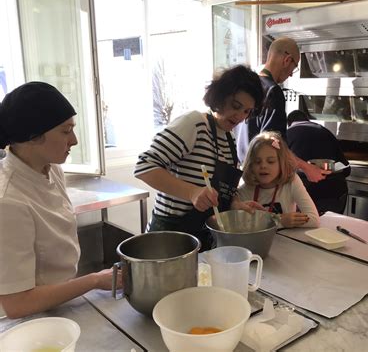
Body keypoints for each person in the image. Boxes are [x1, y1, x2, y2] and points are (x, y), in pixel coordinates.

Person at [0, 82, 120, 319]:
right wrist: (95, 279)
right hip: (28, 320)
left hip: (59, 301)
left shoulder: (52, 169)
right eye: (66, 131)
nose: (74, 140)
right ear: (33, 137)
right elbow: (16, 304)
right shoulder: (8, 201)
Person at [134, 65, 265, 250]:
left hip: (201, 237)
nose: (240, 116)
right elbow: (144, 167)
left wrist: (235, 204)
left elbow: (220, 188)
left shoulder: (229, 138)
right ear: (220, 96)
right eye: (236, 106)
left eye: (247, 111)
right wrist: (192, 192)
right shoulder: (194, 124)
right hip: (169, 237)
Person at [234, 37, 330, 183]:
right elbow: (273, 144)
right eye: (294, 66)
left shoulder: (248, 86)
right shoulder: (273, 92)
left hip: (242, 177)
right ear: (287, 60)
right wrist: (307, 168)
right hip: (262, 181)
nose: (291, 74)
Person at [237, 131, 320, 229]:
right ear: (250, 166)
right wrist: (279, 220)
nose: (263, 166)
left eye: (270, 161)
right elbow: (241, 225)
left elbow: (314, 219)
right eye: (257, 162)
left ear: (282, 164)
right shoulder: (244, 189)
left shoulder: (292, 182)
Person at [287, 110, 351, 214]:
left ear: (289, 123)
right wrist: (326, 168)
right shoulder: (325, 131)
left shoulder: (287, 134)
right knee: (331, 228)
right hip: (335, 193)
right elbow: (347, 169)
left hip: (304, 196)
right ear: (307, 120)